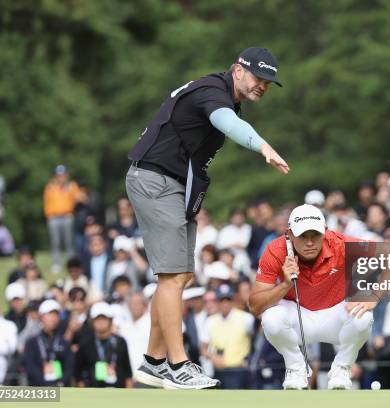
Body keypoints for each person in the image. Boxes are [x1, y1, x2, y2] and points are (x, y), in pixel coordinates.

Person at [126, 46, 288, 390]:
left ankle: (154, 362)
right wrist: (261, 145)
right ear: (238, 70)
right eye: (259, 77)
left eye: (269, 82)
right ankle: (179, 363)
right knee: (170, 277)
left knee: (181, 277)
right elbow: (226, 123)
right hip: (155, 180)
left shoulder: (227, 96)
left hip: (175, 187)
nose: (263, 86)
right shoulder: (212, 91)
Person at [249, 204, 376, 390]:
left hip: (335, 315)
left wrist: (375, 296)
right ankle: (296, 368)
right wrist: (284, 285)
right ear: (289, 234)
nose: (309, 242)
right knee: (270, 318)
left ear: (325, 232)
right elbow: (255, 306)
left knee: (363, 316)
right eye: (302, 236)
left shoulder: (340, 243)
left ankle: (342, 367)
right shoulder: (275, 250)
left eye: (315, 235)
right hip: (297, 318)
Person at [201, 284, 254, 389]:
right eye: (221, 300)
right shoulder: (210, 321)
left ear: (233, 301)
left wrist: (249, 359)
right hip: (218, 371)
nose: (225, 303)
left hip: (239, 371)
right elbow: (204, 349)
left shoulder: (246, 318)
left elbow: (255, 342)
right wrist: (213, 357)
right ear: (217, 302)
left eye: (228, 299)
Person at [75, 302, 133, 388]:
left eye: (104, 319)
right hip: (93, 393)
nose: (101, 322)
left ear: (110, 320)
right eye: (98, 319)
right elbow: (78, 373)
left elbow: (128, 373)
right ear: (92, 321)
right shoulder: (85, 343)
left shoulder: (120, 342)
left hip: (118, 392)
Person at [43, 164, 84, 273]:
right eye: (58, 175)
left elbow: (81, 198)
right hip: (53, 217)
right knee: (55, 242)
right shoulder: (50, 186)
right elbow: (46, 202)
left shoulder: (72, 185)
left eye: (63, 175)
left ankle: (71, 263)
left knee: (68, 241)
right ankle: (56, 263)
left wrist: (69, 191)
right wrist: (48, 215)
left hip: (67, 216)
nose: (61, 177)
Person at [23, 299, 74, 386]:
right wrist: (45, 384)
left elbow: (69, 367)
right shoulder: (32, 343)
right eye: (50, 314)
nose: (53, 318)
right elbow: (31, 368)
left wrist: (60, 383)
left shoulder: (64, 343)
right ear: (41, 317)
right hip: (38, 390)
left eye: (56, 315)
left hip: (61, 389)